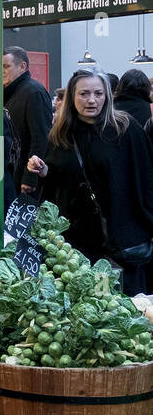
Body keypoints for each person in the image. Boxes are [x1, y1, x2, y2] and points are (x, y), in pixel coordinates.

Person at [29, 70, 153, 293]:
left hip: (120, 239)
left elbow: (146, 177)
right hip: (77, 244)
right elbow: (59, 182)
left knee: (128, 310)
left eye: (98, 93)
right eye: (84, 94)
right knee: (91, 307)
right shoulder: (61, 134)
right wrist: (45, 171)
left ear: (107, 95)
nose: (92, 100)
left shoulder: (125, 129)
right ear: (71, 97)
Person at [2, 46, 54, 198]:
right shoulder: (8, 93)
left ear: (22, 66)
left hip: (24, 177)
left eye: (6, 66)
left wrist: (30, 178)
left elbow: (41, 137)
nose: (2, 71)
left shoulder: (34, 92)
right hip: (10, 174)